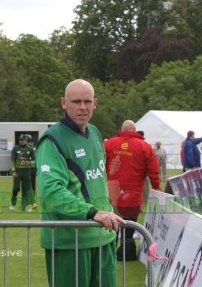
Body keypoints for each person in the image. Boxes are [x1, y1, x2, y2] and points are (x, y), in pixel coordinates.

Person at [36, 79, 124, 287]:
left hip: (104, 237)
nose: (82, 107)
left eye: (87, 101)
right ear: (64, 103)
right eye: (76, 101)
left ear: (95, 103)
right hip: (70, 241)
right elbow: (51, 192)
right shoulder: (52, 140)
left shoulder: (94, 132)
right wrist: (93, 213)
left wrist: (108, 210)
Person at [104, 120, 161, 261]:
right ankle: (126, 253)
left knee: (112, 225)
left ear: (121, 129)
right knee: (129, 226)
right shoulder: (144, 147)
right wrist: (156, 188)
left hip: (112, 195)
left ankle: (110, 253)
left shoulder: (109, 144)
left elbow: (100, 166)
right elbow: (153, 171)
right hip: (133, 196)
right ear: (135, 130)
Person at [9, 134, 36, 212]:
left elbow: (34, 162)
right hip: (17, 171)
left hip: (26, 172)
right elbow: (12, 160)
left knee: (25, 189)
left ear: (26, 140)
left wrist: (30, 163)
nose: (21, 141)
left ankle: (25, 207)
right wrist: (13, 171)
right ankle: (12, 204)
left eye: (23, 140)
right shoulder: (15, 149)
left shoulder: (30, 149)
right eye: (20, 140)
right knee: (16, 188)